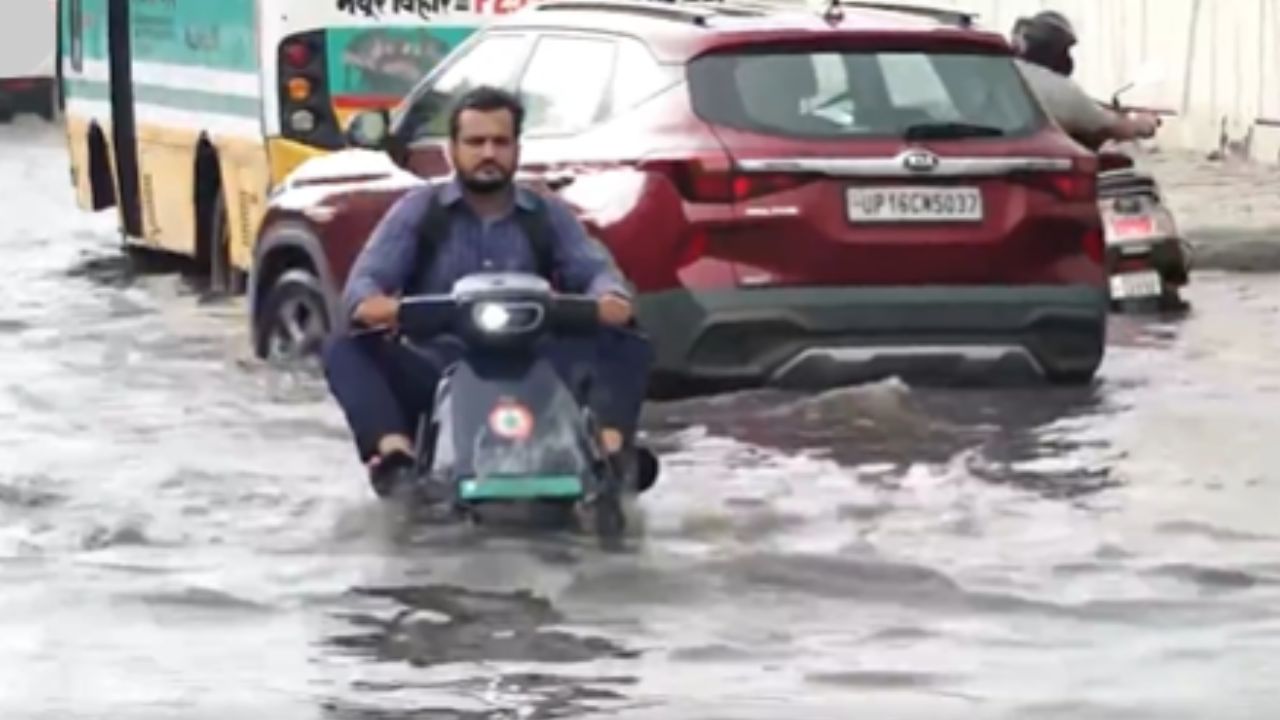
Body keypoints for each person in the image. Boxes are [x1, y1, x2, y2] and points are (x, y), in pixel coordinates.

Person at [322, 85, 654, 500]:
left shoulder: (546, 213)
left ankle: (611, 453)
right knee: (344, 348)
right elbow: (364, 287)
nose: (488, 154)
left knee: (628, 341)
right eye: (475, 142)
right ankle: (395, 457)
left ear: (517, 148)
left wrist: (609, 299)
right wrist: (382, 307)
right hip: (438, 364)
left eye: (500, 142)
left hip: (539, 362)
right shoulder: (419, 210)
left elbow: (596, 272)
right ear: (452, 150)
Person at [1010, 10, 1160, 150]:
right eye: (1065, 51)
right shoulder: (1061, 89)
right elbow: (1113, 126)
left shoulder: (1002, 73)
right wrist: (1144, 123)